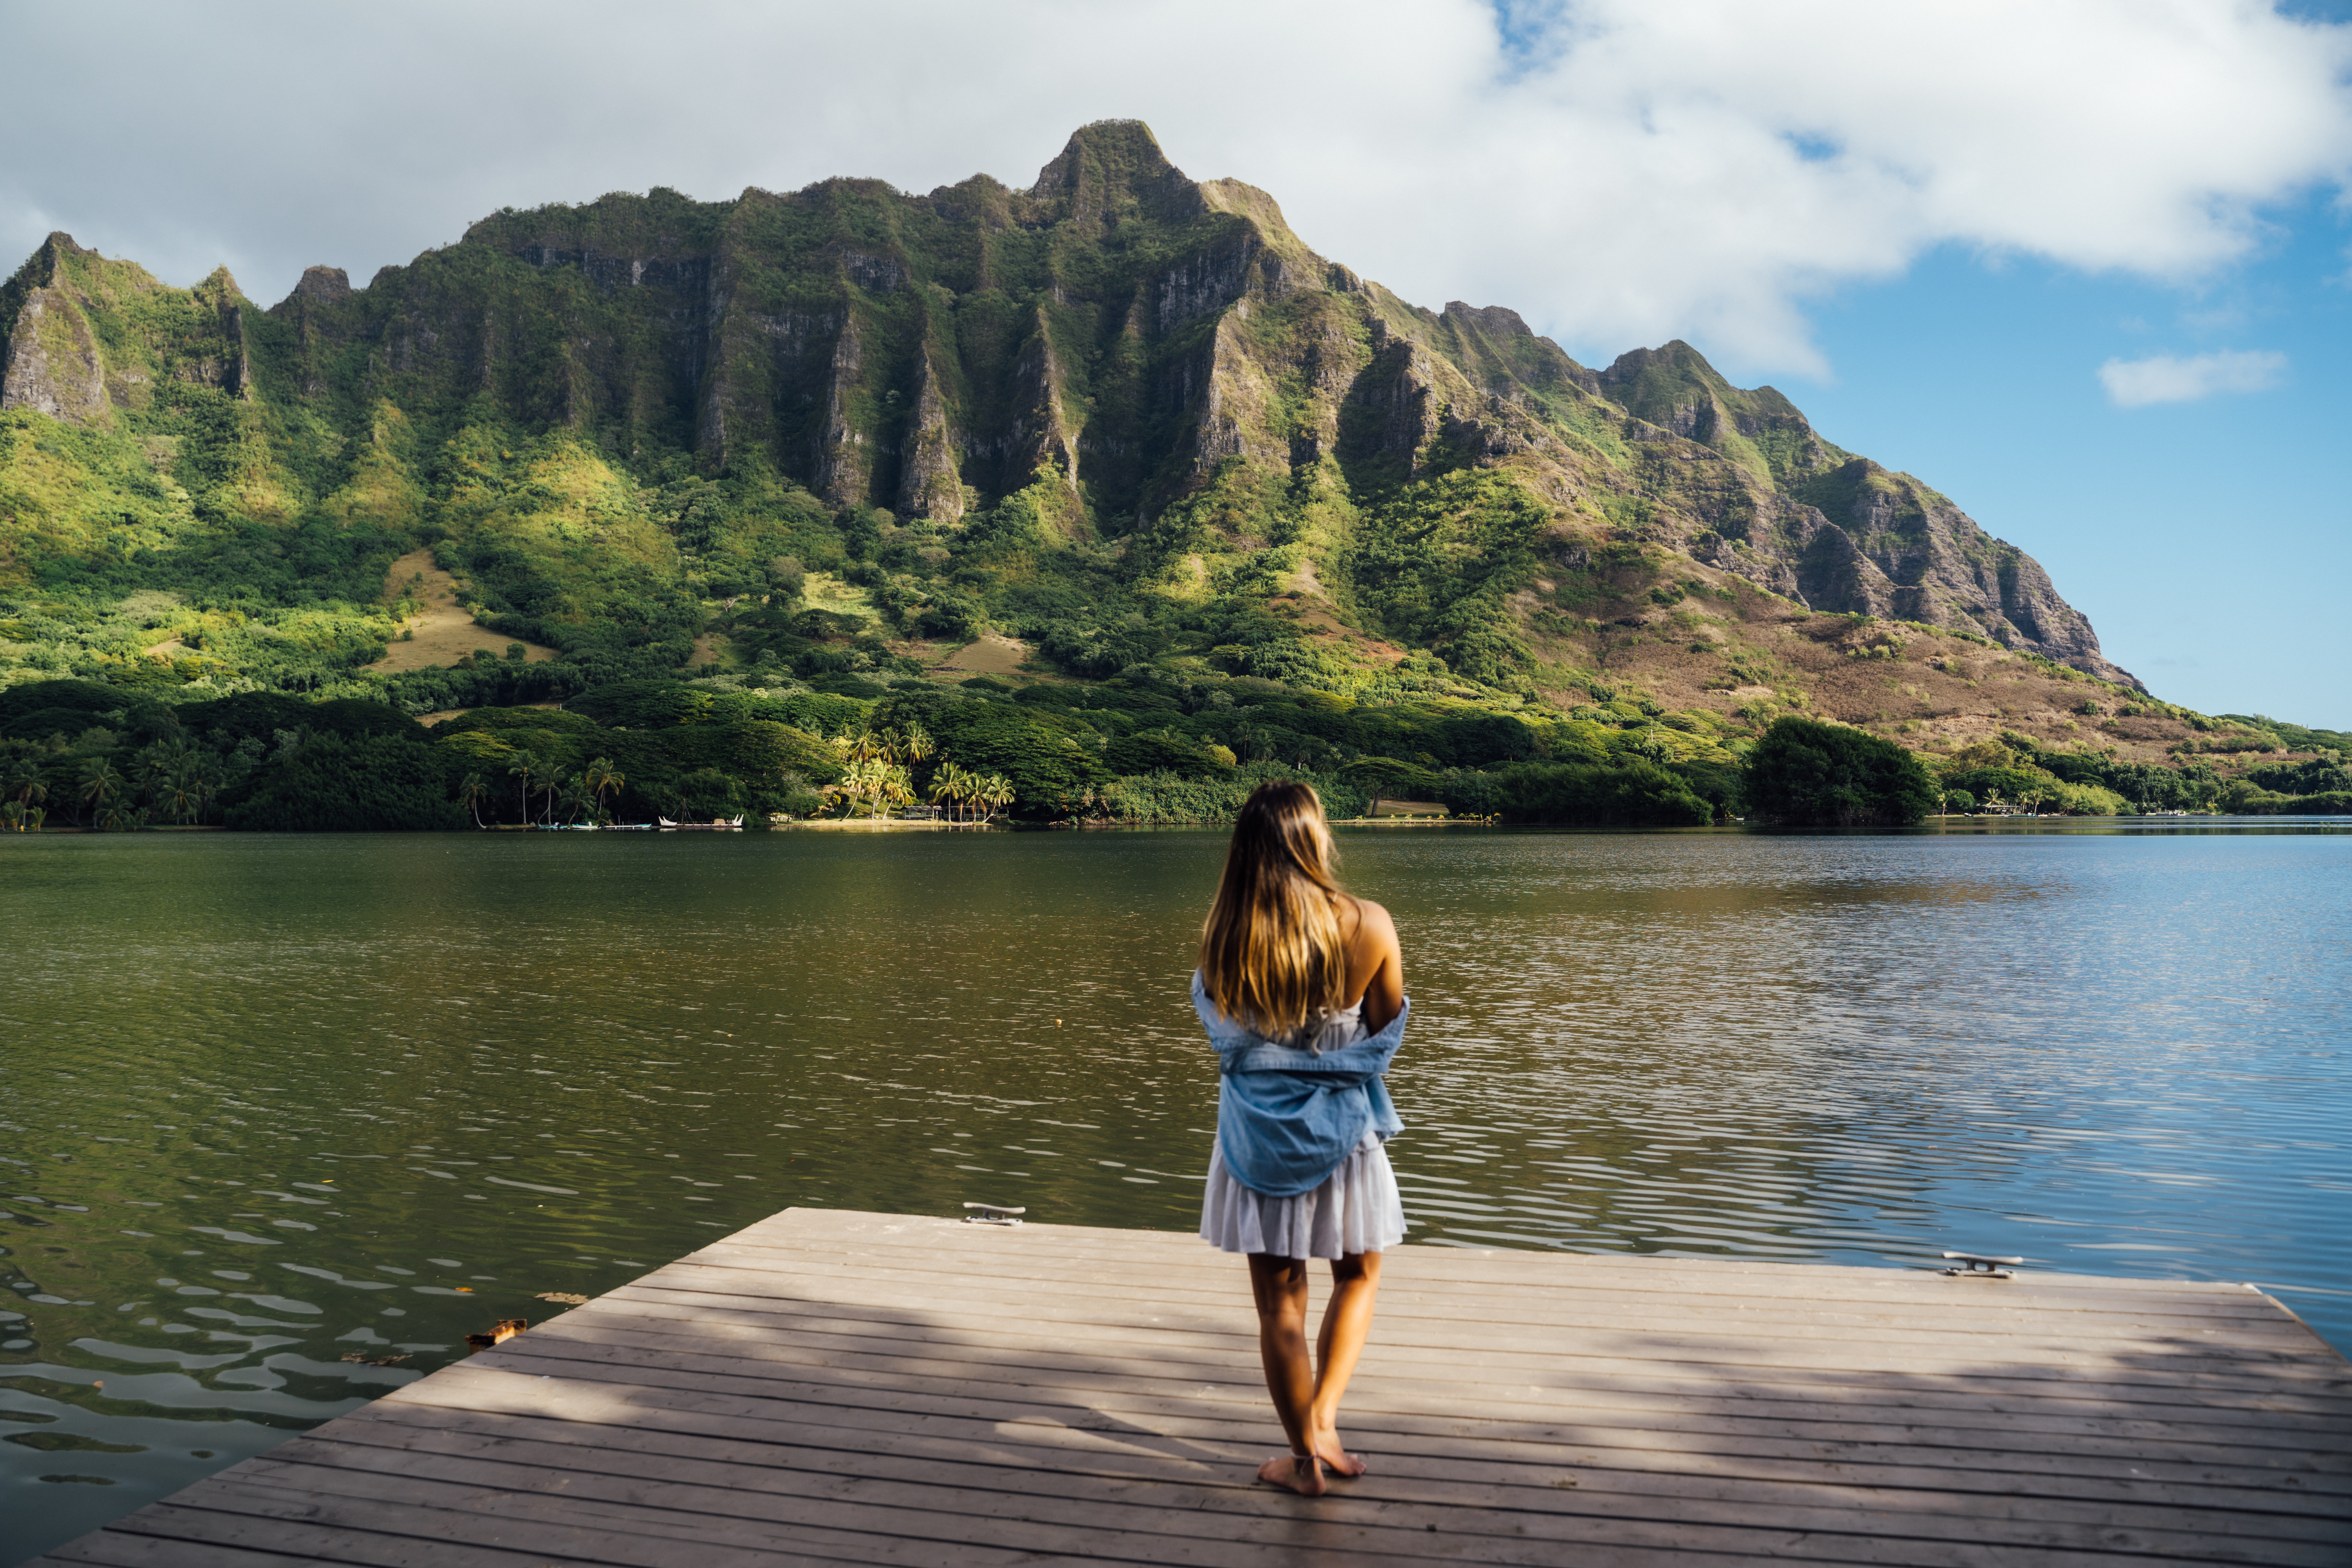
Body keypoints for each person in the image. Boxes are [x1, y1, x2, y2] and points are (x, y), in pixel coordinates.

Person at [1193, 780, 1408, 1497]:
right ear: (1315, 840)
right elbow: (1383, 1036)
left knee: (1279, 1305)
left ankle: (1304, 1459)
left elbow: (1228, 1039)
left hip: (1257, 1140)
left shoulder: (1224, 939)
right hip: (1343, 1137)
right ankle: (1325, 1423)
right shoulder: (1369, 925)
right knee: (1358, 1276)